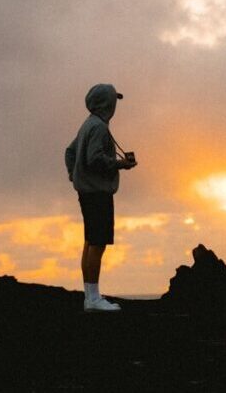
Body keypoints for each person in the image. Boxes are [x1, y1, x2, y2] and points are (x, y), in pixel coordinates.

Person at [65, 83, 137, 312]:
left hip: (87, 191)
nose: (115, 106)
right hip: (97, 192)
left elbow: (70, 151)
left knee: (90, 242)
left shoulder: (88, 124)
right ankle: (94, 299)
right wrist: (121, 165)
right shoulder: (98, 128)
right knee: (97, 244)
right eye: (113, 101)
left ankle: (90, 296)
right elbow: (94, 159)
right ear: (107, 104)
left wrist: (74, 176)